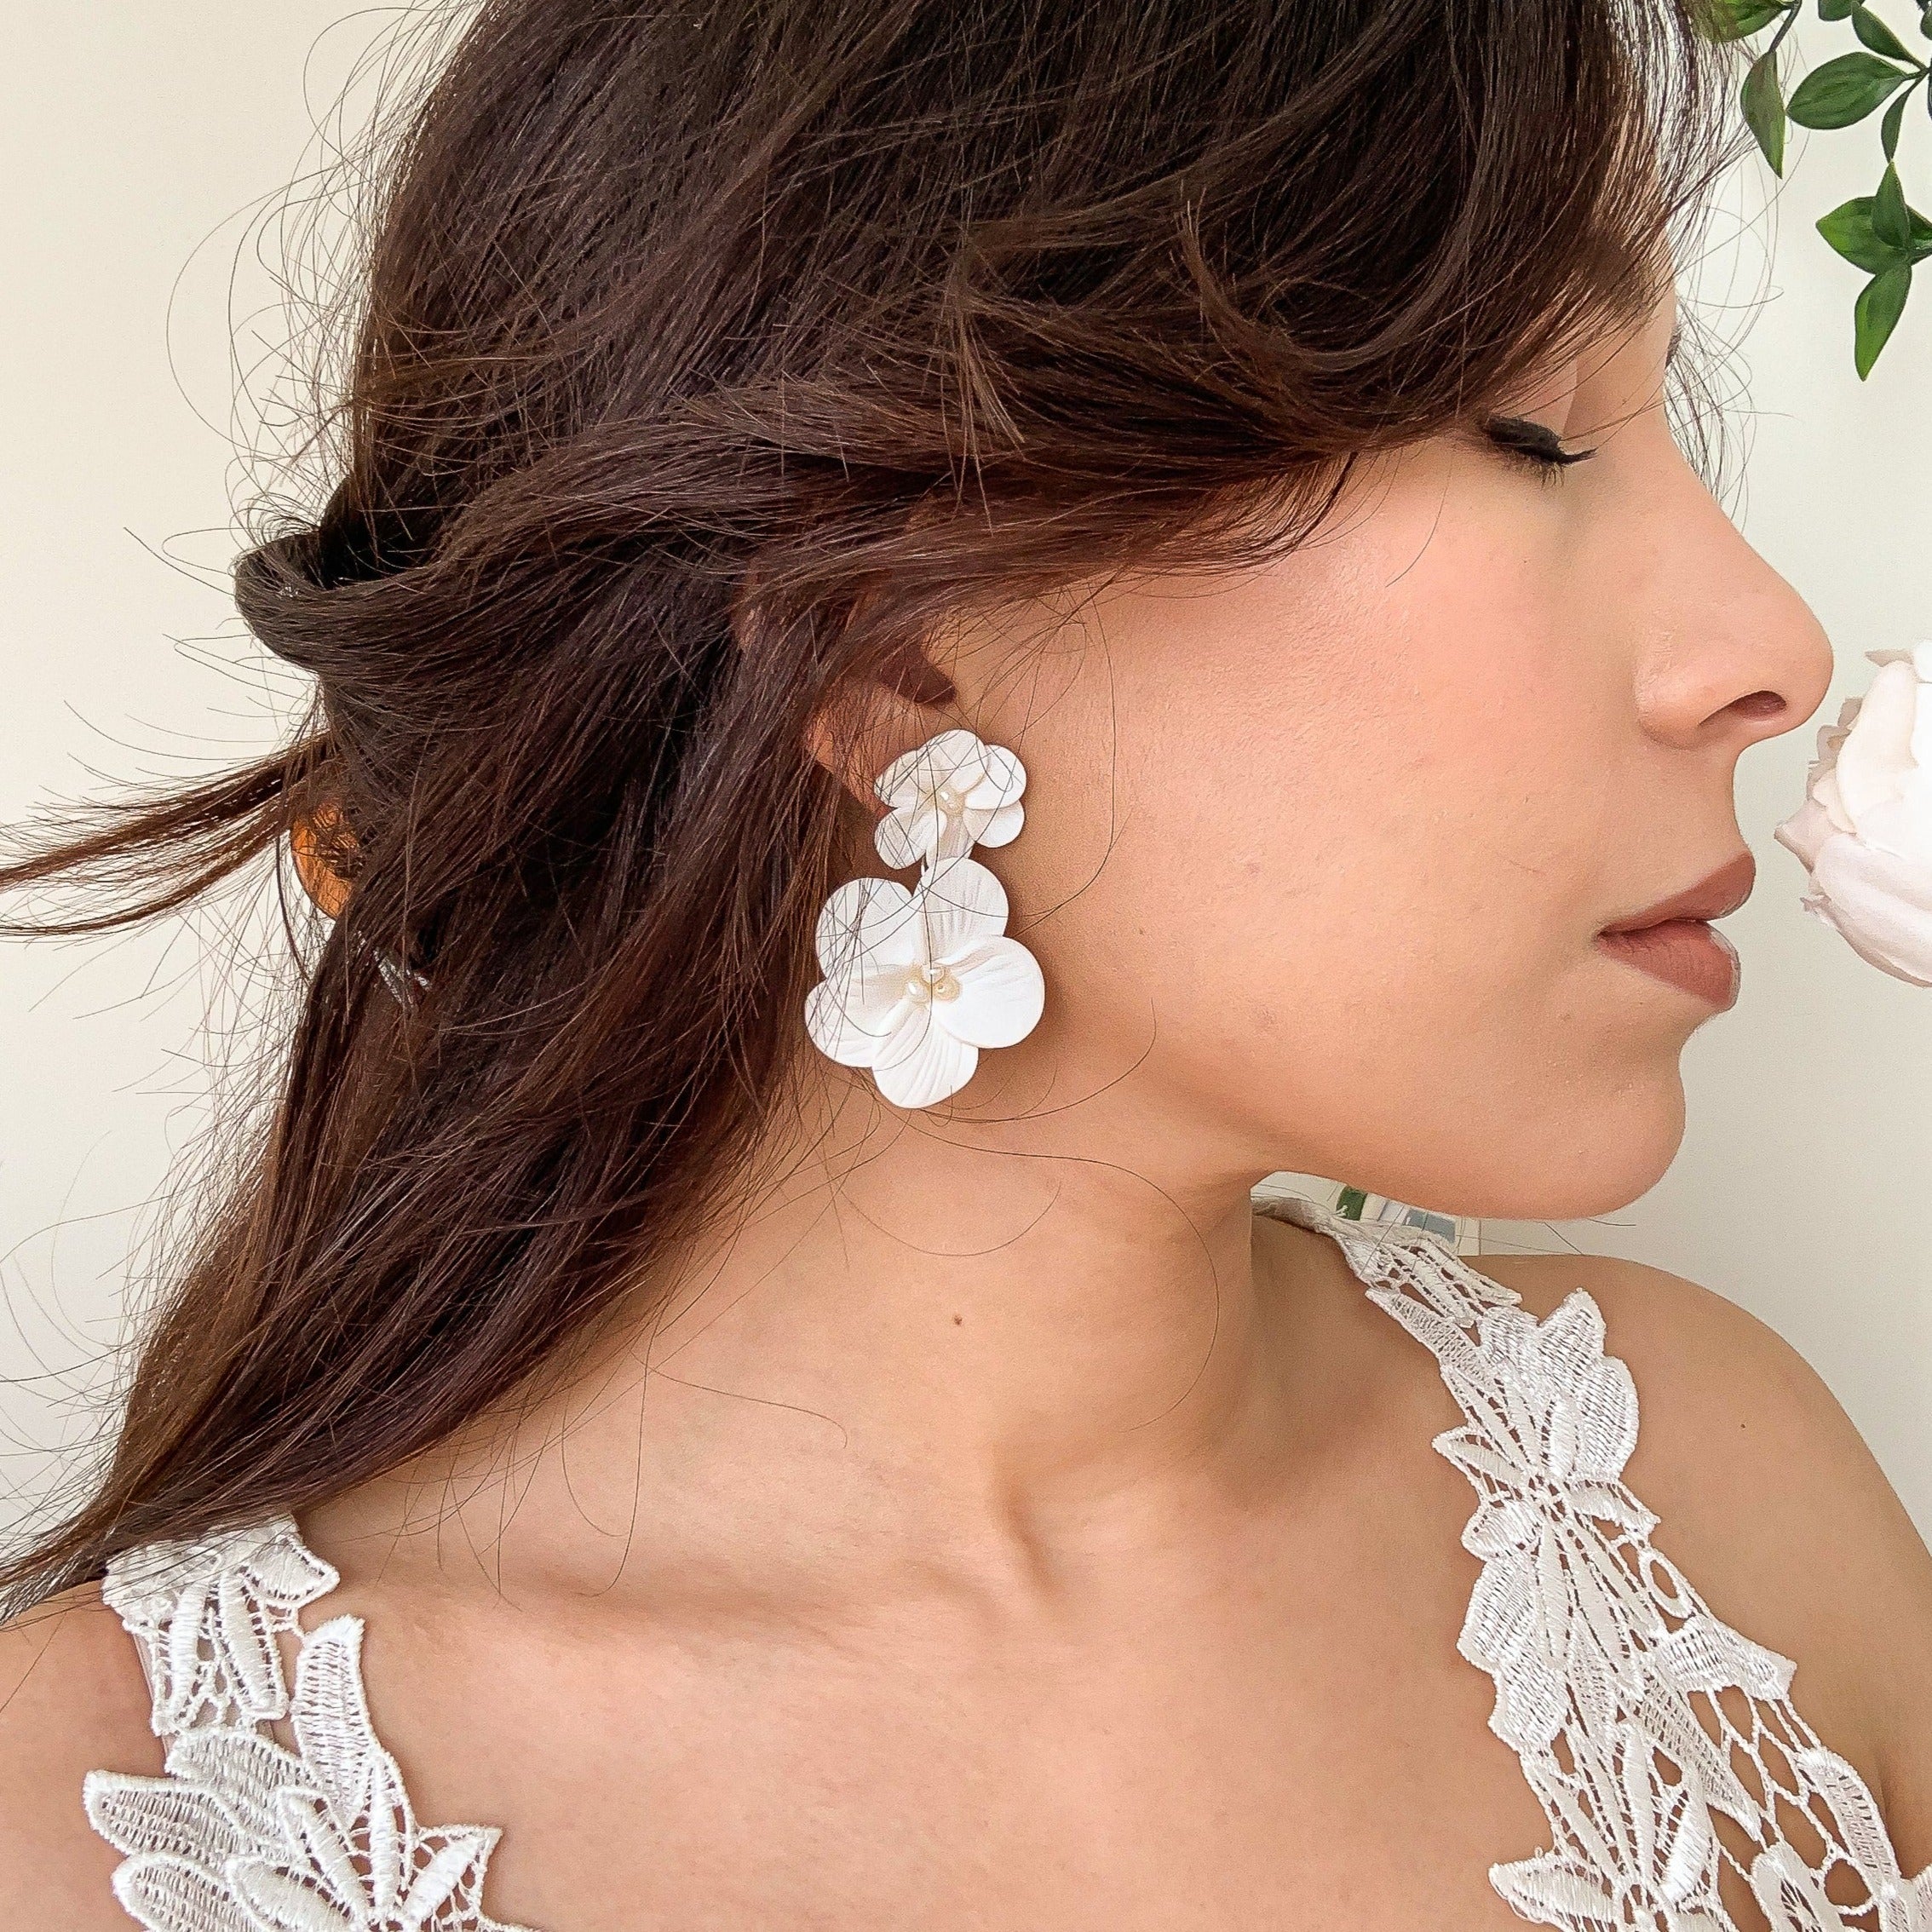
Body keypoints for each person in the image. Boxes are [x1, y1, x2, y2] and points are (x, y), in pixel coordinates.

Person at [3, 2, 1929, 1925]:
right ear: (886, 643)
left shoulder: (1716, 1509)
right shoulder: (94, 1836)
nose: (1770, 645)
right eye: (1534, 427)